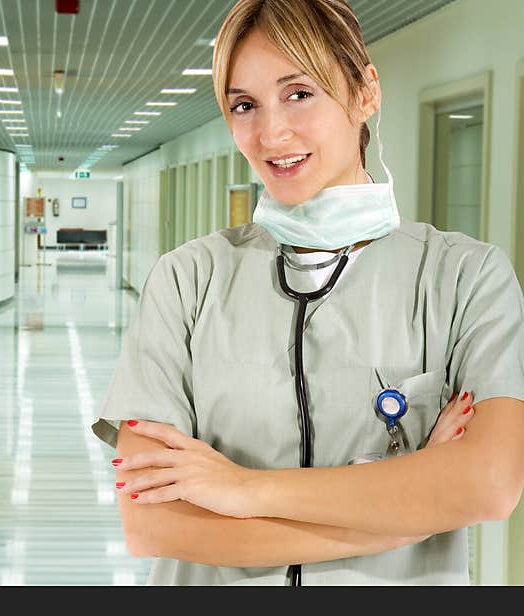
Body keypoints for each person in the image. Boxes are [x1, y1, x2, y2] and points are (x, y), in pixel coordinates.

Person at [90, 0, 524, 585]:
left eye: (299, 93)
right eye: (244, 105)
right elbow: (155, 527)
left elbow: (489, 485)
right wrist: (403, 520)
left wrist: (241, 489)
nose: (271, 132)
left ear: (365, 92)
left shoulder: (466, 279)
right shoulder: (186, 281)